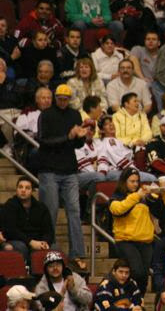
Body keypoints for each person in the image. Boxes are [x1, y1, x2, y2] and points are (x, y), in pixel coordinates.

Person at [37, 83, 88, 271]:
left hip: (69, 169)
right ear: (55, 98)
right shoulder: (46, 115)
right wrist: (69, 136)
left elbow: (78, 145)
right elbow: (43, 140)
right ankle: (49, 250)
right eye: (60, 99)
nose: (63, 102)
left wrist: (82, 136)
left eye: (66, 99)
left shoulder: (75, 115)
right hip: (49, 169)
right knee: (50, 210)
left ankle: (77, 253)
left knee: (74, 211)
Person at [109, 168, 157, 294]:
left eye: (137, 181)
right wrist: (137, 196)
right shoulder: (117, 197)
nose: (135, 184)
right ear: (124, 181)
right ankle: (126, 295)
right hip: (126, 241)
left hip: (145, 241)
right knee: (136, 271)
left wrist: (159, 194)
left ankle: (138, 301)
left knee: (144, 276)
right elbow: (118, 210)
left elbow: (160, 212)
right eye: (132, 181)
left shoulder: (143, 197)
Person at [2, 176, 53, 261]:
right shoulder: (10, 205)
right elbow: (11, 230)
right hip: (17, 240)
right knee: (21, 247)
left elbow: (49, 230)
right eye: (20, 187)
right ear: (16, 189)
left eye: (27, 188)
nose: (23, 190)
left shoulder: (41, 207)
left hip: (37, 241)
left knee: (55, 247)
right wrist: (30, 242)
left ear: (32, 191)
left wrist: (44, 242)